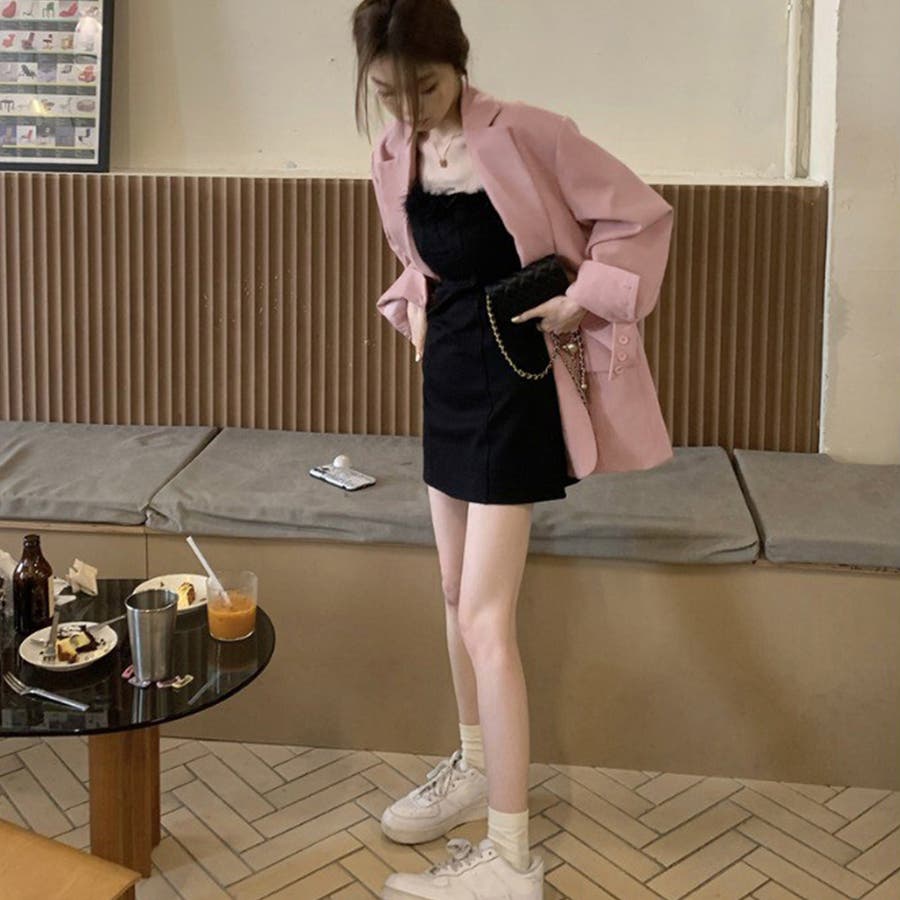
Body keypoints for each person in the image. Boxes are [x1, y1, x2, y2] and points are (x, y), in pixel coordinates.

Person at [352, 2, 675, 897]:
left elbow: (641, 219)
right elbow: (419, 259)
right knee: (453, 593)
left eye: (424, 88)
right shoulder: (392, 151)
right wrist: (414, 307)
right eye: (386, 93)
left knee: (485, 619)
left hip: (515, 379)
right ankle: (471, 766)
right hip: (449, 377)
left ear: (458, 64)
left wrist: (583, 297)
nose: (408, 110)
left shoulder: (530, 131)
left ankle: (509, 855)